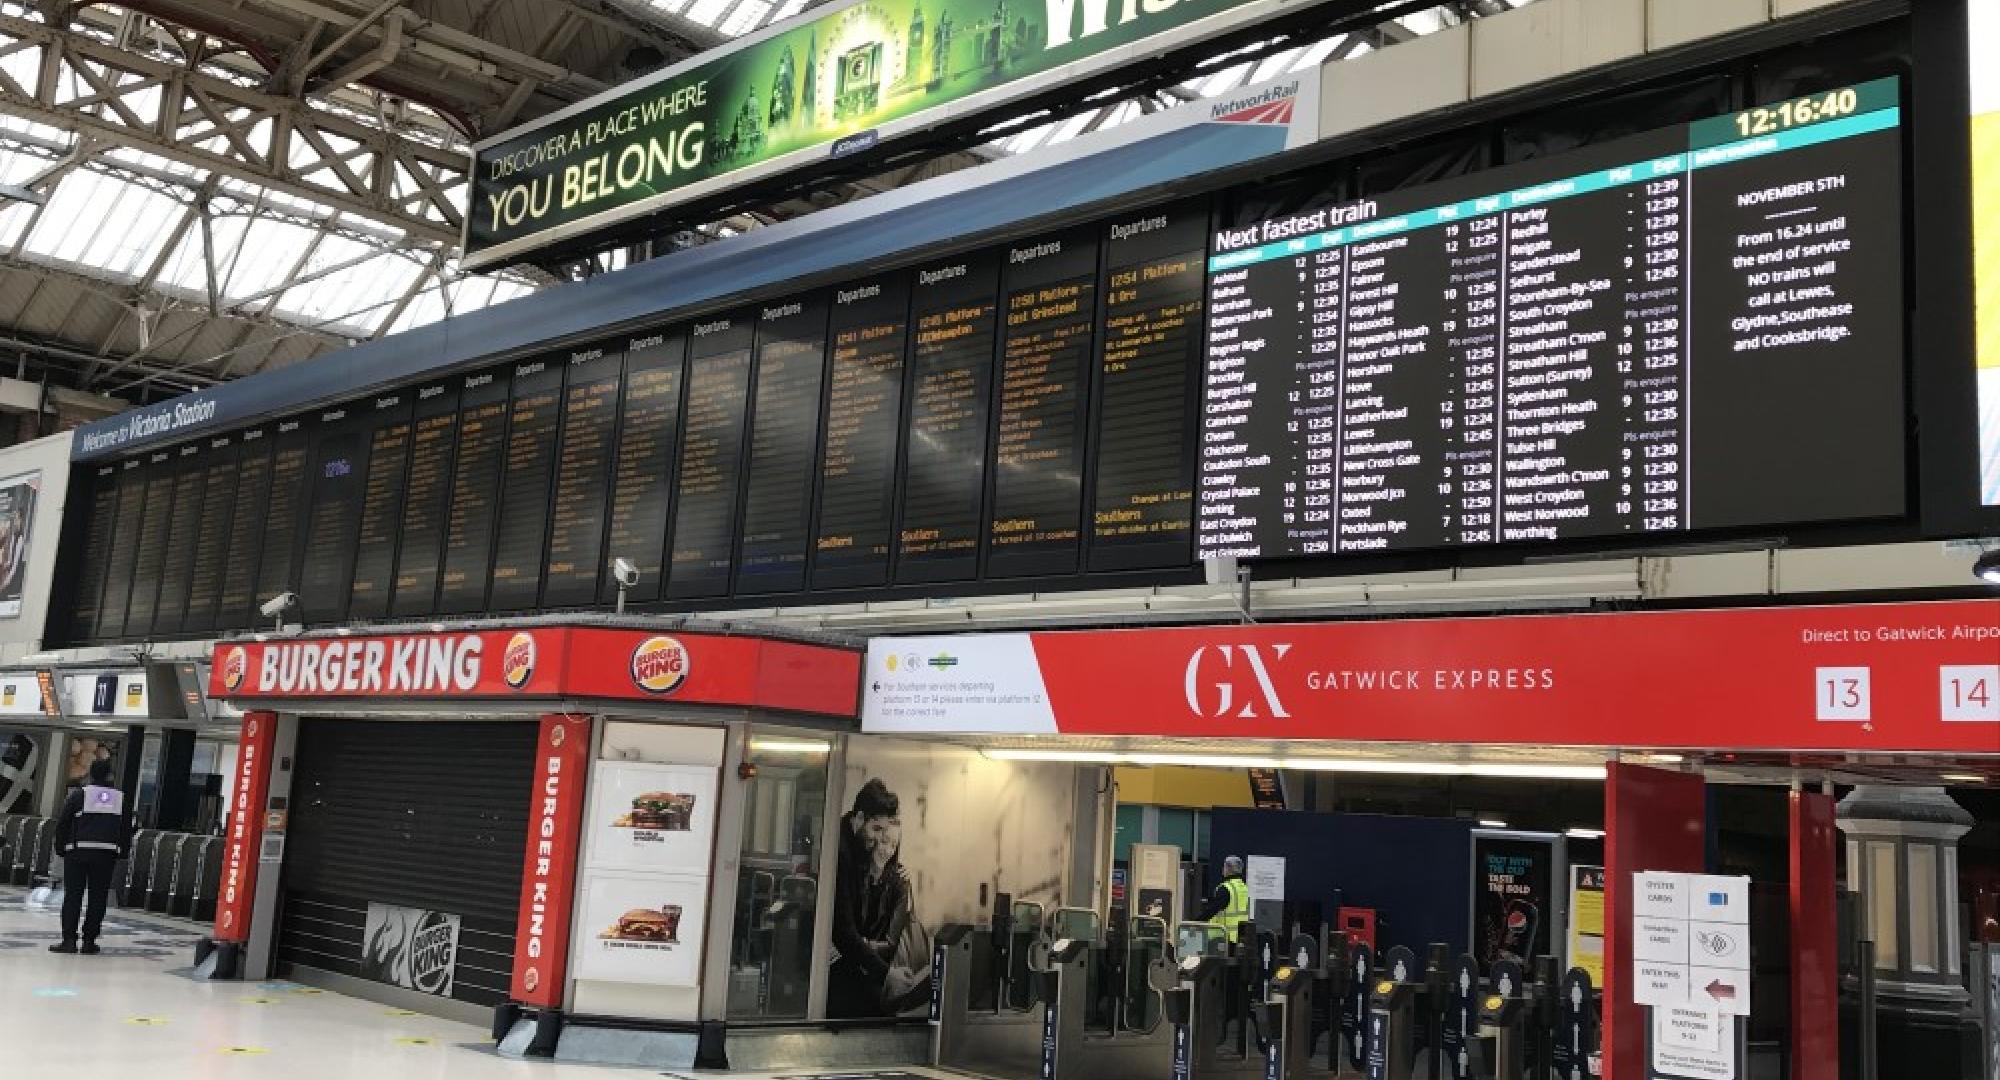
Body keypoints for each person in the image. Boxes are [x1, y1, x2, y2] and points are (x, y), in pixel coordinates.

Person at [827, 779, 913, 1017]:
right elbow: (844, 932)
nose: (878, 840)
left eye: (884, 832)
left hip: (852, 959)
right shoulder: (840, 853)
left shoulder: (862, 847)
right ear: (859, 817)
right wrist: (886, 974)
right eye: (875, 829)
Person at [50, 758, 128, 955]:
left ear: (91, 774)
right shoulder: (119, 798)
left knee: (73, 896)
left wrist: (60, 848)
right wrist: (122, 852)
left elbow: (64, 823)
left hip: (77, 853)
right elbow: (126, 828)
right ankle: (89, 941)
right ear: (110, 775)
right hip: (106, 855)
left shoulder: (79, 795)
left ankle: (69, 941)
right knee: (98, 898)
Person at [1201, 854, 1253, 938]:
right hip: (1240, 937)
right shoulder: (1244, 888)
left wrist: (1194, 923)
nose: (1222, 869)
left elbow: (1212, 910)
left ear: (1228, 868)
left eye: (1224, 866)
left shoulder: (1226, 888)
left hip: (1223, 937)